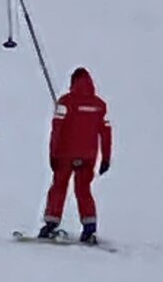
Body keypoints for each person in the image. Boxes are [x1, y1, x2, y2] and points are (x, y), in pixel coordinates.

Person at [38, 65, 112, 243]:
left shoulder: (65, 102)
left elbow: (56, 130)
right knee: (83, 190)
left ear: (73, 82)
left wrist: (53, 154)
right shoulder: (100, 105)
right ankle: (89, 228)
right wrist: (106, 158)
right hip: (88, 157)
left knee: (59, 187)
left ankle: (51, 224)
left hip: (65, 155)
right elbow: (106, 133)